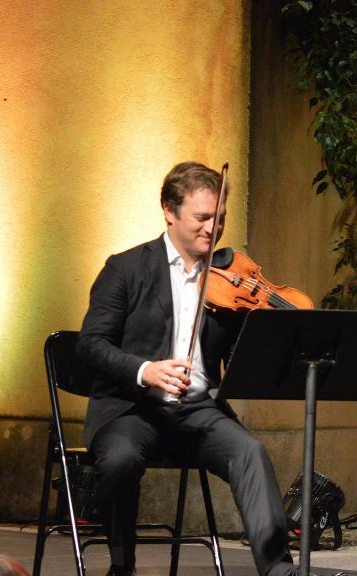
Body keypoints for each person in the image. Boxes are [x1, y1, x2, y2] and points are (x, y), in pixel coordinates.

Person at [77, 162, 297, 576]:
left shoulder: (228, 280)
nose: (212, 228)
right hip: (132, 408)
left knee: (250, 452)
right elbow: (89, 345)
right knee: (120, 460)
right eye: (202, 217)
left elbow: (238, 358)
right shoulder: (126, 269)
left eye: (220, 218)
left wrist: (273, 340)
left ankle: (278, 570)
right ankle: (122, 565)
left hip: (198, 410)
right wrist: (145, 370)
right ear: (169, 211)